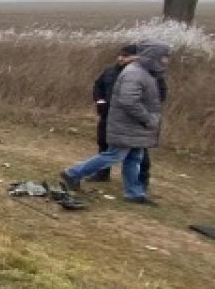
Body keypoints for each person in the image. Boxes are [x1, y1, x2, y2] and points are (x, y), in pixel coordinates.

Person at [60, 41, 171, 204]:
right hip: (127, 124)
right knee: (114, 155)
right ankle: (73, 173)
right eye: (164, 57)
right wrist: (147, 118)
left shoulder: (146, 72)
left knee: (134, 157)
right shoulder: (135, 73)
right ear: (153, 56)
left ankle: (133, 193)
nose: (166, 61)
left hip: (135, 126)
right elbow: (128, 101)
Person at [90, 44, 140, 182]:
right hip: (107, 114)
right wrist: (99, 101)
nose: (120, 58)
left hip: (128, 118)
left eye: (125, 56)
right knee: (103, 143)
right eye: (120, 55)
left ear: (136, 57)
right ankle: (102, 174)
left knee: (134, 151)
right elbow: (98, 85)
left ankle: (137, 181)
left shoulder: (141, 74)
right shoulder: (110, 71)